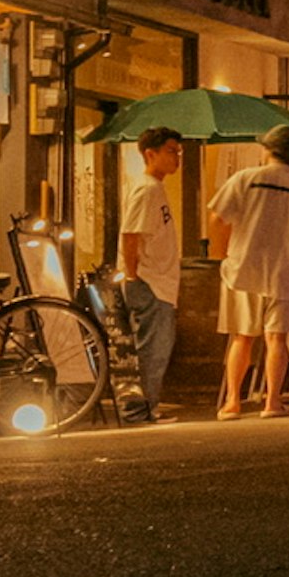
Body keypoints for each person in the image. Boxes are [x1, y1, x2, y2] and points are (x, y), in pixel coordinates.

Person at [206, 119, 289, 419]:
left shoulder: (244, 179)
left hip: (243, 268)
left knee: (241, 337)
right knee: (278, 339)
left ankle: (233, 402)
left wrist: (223, 253)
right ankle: (272, 401)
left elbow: (217, 219)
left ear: (267, 150)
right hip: (286, 270)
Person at [116, 127, 188, 421]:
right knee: (152, 348)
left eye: (178, 152)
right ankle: (139, 409)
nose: (177, 158)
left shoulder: (155, 187)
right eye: (171, 151)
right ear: (150, 154)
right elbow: (130, 234)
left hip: (159, 281)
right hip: (150, 281)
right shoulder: (146, 189)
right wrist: (133, 275)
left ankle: (147, 406)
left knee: (157, 347)